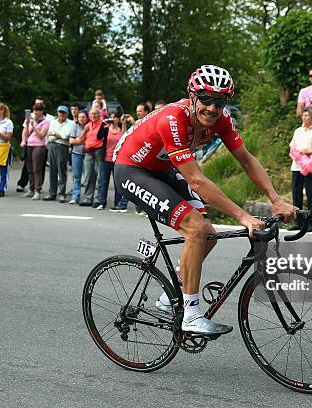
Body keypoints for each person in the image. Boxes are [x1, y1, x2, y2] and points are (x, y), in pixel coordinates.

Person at [113, 65, 295, 335]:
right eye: (206, 99)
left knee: (207, 233)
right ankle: (191, 314)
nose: (212, 108)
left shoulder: (221, 120)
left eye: (219, 101)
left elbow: (246, 159)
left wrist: (276, 199)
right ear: (192, 97)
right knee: (196, 228)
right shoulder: (173, 118)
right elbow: (196, 180)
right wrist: (243, 217)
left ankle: (171, 295)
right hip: (132, 170)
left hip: (162, 170)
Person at [288, 106, 312, 229]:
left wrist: (310, 151)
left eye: (307, 115)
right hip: (297, 166)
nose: (304, 117)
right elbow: (292, 145)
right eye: (303, 115)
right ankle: (298, 222)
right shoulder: (298, 131)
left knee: (311, 195)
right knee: (296, 194)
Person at [43, 106, 75, 203]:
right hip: (52, 146)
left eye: (63, 112)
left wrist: (54, 134)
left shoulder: (71, 123)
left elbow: (65, 136)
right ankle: (52, 193)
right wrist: (56, 134)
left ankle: (61, 193)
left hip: (63, 147)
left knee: (61, 170)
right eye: (60, 112)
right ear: (57, 113)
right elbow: (50, 137)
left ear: (67, 113)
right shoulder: (53, 122)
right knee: (52, 170)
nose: (61, 114)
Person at [98, 112, 128, 211]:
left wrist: (124, 124)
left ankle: (117, 203)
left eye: (114, 117)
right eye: (111, 117)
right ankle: (101, 202)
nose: (112, 119)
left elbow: (125, 138)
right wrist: (103, 123)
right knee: (103, 182)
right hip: (106, 159)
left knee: (117, 183)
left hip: (117, 160)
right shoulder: (106, 129)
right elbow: (99, 136)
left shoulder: (120, 130)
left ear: (118, 119)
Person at [20, 103, 50, 200]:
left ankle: (37, 190)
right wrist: (28, 124)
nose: (36, 112)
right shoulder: (30, 120)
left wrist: (34, 125)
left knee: (37, 169)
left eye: (38, 110)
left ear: (42, 111)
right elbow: (26, 132)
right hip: (29, 144)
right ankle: (31, 189)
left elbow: (41, 135)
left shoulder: (45, 122)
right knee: (29, 168)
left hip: (39, 145)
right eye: (35, 110)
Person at [80, 106, 108, 207]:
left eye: (96, 113)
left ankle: (98, 199)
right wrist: (84, 130)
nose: (93, 115)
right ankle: (88, 197)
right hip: (88, 152)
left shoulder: (104, 124)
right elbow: (81, 138)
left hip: (99, 151)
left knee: (99, 176)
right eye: (92, 113)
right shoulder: (88, 125)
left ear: (99, 114)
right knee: (88, 176)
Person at [69, 110, 89, 204]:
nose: (81, 119)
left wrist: (78, 140)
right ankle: (75, 196)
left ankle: (88, 197)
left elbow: (91, 141)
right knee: (76, 176)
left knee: (88, 177)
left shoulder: (90, 126)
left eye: (83, 117)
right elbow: (71, 141)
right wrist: (82, 140)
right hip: (76, 154)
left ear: (87, 118)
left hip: (88, 155)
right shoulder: (75, 126)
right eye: (80, 117)